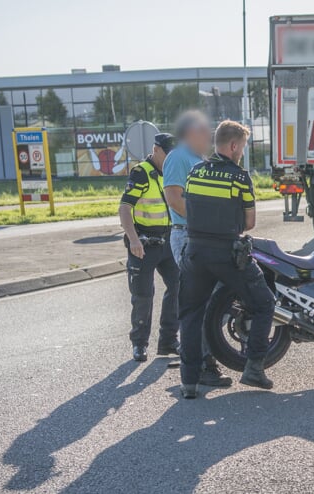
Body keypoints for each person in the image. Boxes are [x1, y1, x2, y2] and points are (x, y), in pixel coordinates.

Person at [177, 120, 276, 399]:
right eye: (242, 147)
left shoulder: (195, 172)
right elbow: (250, 222)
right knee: (264, 303)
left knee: (191, 315)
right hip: (227, 254)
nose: (242, 152)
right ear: (233, 146)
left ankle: (189, 383)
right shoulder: (239, 177)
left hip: (193, 252)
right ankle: (254, 368)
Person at [163, 110, 232, 387]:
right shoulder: (179, 157)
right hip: (188, 235)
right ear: (191, 133)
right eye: (205, 131)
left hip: (200, 235)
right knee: (204, 300)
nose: (210, 136)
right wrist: (205, 223)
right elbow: (174, 198)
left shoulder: (198, 159)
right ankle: (203, 363)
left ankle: (197, 355)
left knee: (210, 299)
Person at [118, 133, 180, 362]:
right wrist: (133, 239)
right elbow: (125, 207)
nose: (171, 158)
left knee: (179, 287)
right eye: (167, 153)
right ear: (156, 150)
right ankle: (139, 344)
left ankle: (168, 341)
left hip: (169, 241)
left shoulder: (173, 171)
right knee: (143, 295)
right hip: (143, 244)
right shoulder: (141, 172)